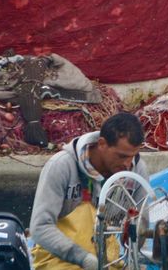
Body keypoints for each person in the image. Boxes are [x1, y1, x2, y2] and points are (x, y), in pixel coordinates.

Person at [30, 112, 149, 270]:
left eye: (132, 156)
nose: (128, 164)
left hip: (107, 262)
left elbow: (141, 223)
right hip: (58, 262)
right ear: (101, 144)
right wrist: (84, 259)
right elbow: (40, 228)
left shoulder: (137, 170)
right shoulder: (61, 166)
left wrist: (135, 245)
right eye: (121, 156)